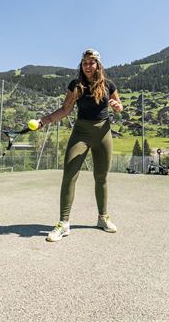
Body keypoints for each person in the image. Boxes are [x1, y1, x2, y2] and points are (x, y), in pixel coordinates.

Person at [36, 48, 123, 242]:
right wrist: (44, 120)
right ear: (81, 65)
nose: (88, 66)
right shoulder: (76, 85)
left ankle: (103, 217)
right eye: (85, 62)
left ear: (98, 65)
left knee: (101, 177)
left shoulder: (109, 85)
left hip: (103, 133)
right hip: (81, 134)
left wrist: (117, 107)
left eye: (92, 62)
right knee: (69, 174)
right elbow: (65, 109)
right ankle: (63, 224)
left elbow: (119, 105)